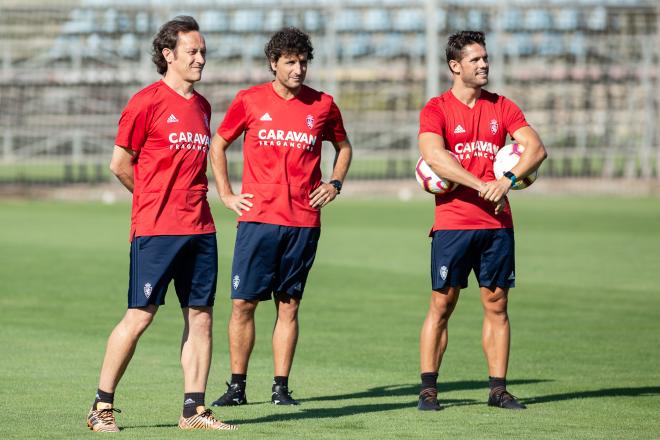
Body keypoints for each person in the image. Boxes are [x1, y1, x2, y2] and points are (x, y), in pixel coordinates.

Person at [86, 16, 237, 431]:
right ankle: (100, 407)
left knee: (201, 316)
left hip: (201, 230)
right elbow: (120, 164)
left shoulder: (203, 106)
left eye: (203, 51)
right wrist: (153, 199)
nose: (200, 58)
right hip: (156, 230)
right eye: (192, 51)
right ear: (168, 55)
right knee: (140, 316)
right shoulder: (145, 102)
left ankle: (194, 410)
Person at [209, 27, 352, 407]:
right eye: (290, 61)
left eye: (303, 62)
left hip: (303, 222)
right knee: (243, 304)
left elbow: (343, 146)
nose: (298, 69)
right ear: (274, 63)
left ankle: (280, 388)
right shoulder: (249, 100)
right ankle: (237, 387)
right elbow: (219, 144)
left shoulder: (323, 104)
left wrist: (335, 183)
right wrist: (225, 194)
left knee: (288, 305)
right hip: (257, 221)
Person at [417, 30, 547, 411]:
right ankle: (428, 389)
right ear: (455, 66)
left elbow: (536, 148)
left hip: (496, 226)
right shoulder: (436, 108)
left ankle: (498, 390)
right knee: (442, 305)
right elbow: (434, 156)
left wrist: (505, 181)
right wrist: (480, 184)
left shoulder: (502, 106)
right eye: (475, 60)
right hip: (453, 223)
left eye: (485, 58)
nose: (484, 64)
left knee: (497, 304)